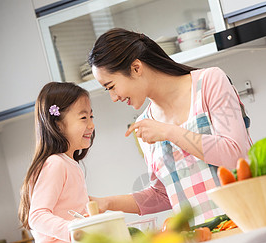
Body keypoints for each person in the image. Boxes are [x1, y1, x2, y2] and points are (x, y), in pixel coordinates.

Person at [88, 28, 252, 226]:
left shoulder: (210, 82)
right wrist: (108, 202)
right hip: (201, 239)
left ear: (136, 68)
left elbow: (235, 154)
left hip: (246, 222)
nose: (113, 98)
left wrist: (168, 132)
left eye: (111, 86)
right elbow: (164, 194)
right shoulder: (146, 124)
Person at [18, 82, 95, 243]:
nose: (91, 125)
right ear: (58, 124)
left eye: (92, 116)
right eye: (83, 118)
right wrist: (77, 231)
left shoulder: (69, 163)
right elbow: (37, 216)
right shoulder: (56, 163)